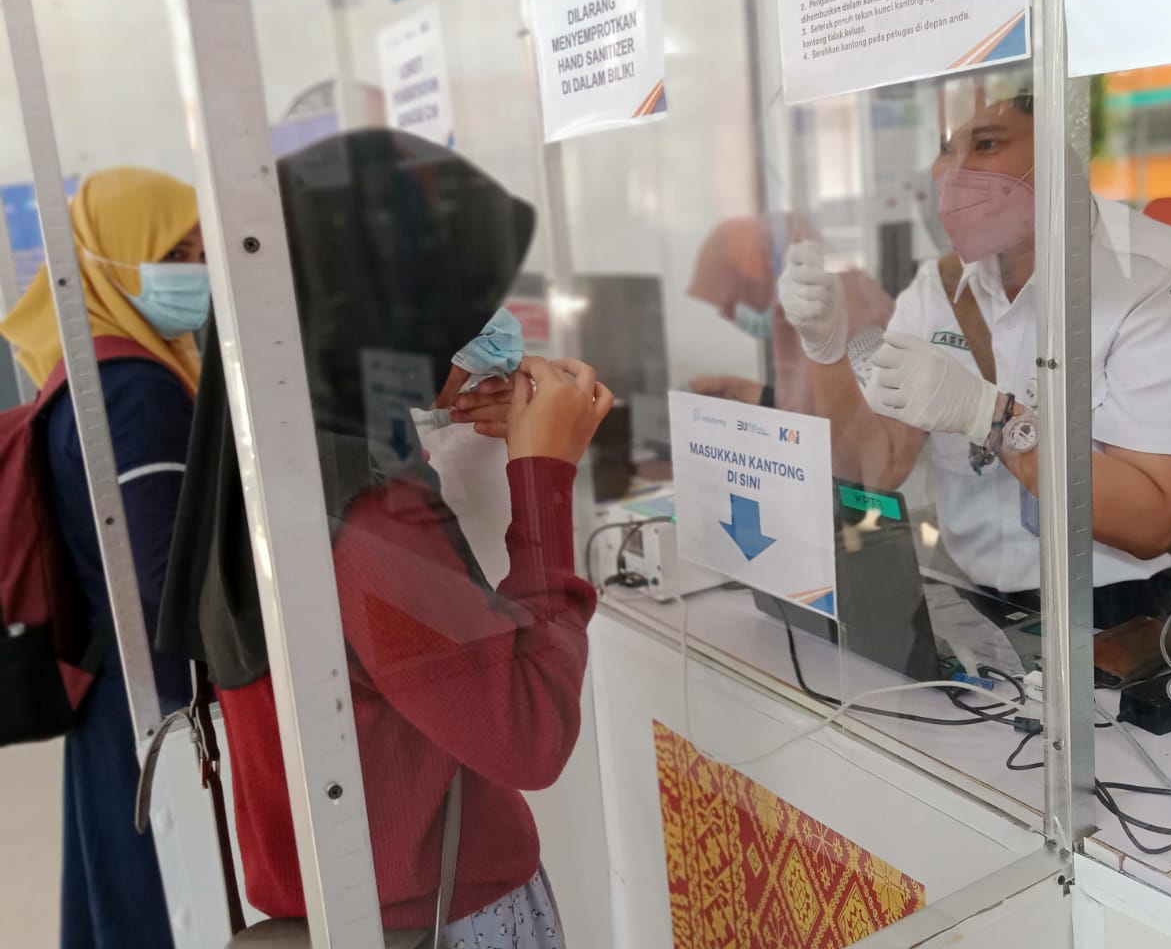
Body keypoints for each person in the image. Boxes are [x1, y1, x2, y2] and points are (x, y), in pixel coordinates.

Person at [157, 130, 612, 945]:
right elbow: (531, 731)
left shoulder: (261, 454)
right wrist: (543, 478)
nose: (474, 348)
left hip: (349, 901)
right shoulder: (364, 513)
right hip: (439, 919)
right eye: (452, 316)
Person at [779, 74, 1171, 631]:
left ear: (1059, 149)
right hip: (983, 601)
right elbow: (878, 469)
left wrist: (990, 418)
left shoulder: (1159, 276)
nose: (951, 173)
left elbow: (1152, 522)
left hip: (1138, 612)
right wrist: (826, 349)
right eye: (945, 148)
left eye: (986, 143)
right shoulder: (942, 286)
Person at [0, 167, 206, 949]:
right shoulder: (133, 391)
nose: (194, 270)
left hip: (115, 684)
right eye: (172, 251)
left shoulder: (86, 369)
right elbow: (161, 579)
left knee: (122, 886)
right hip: (154, 696)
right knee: (164, 896)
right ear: (108, 259)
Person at [686, 213, 893, 412]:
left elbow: (844, 430)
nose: (729, 315)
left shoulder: (835, 311)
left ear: (765, 273)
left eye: (733, 302)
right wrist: (735, 388)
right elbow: (805, 409)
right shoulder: (808, 315)